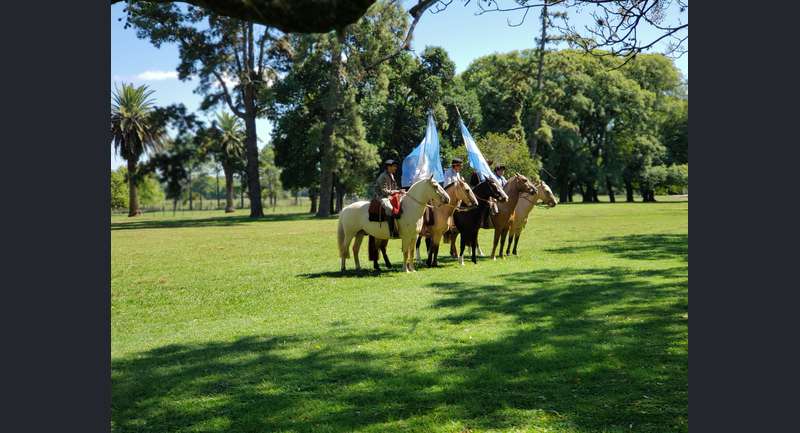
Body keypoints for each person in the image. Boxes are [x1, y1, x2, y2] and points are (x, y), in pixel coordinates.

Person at [373, 159, 403, 237]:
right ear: (388, 167)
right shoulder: (382, 176)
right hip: (381, 196)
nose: (395, 168)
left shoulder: (391, 175)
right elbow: (384, 191)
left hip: (390, 195)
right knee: (389, 208)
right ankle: (392, 232)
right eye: (394, 166)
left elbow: (394, 187)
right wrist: (396, 191)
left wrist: (400, 190)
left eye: (395, 166)